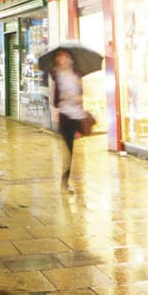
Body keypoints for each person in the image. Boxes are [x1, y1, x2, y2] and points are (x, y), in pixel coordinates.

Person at [49, 49, 88, 193]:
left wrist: (78, 97)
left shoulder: (76, 74)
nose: (63, 60)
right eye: (60, 58)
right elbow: (54, 101)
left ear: (70, 59)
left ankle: (70, 181)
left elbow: (81, 94)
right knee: (69, 151)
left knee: (75, 152)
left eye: (65, 57)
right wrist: (65, 97)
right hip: (65, 117)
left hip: (77, 116)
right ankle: (65, 183)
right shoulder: (57, 76)